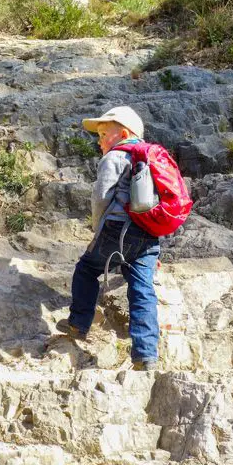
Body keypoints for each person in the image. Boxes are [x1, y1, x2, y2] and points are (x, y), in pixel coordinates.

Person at [55, 106, 160, 371]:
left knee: (87, 269)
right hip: (148, 233)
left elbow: (101, 196)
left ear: (123, 134)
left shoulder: (115, 156)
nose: (99, 140)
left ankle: (78, 325)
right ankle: (146, 355)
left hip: (117, 228)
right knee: (142, 289)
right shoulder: (152, 158)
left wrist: (96, 227)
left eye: (104, 134)